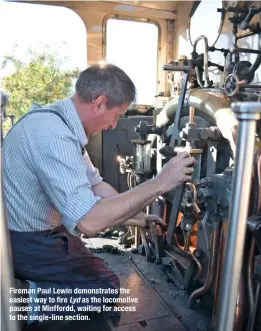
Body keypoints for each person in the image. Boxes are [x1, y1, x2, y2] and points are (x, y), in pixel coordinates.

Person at [3, 64, 194, 324]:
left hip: (41, 234)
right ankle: (21, 299)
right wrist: (161, 182)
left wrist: (137, 217)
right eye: (117, 115)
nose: (114, 124)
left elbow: (96, 186)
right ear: (100, 103)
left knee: (101, 281)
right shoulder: (53, 135)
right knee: (102, 287)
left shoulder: (61, 123)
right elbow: (89, 222)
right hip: (24, 241)